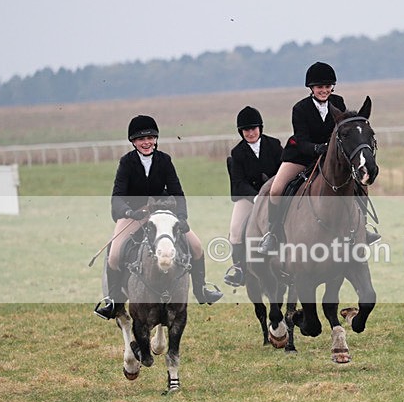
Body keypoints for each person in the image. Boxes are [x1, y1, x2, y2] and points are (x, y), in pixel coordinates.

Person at [94, 115, 223, 319]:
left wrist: (181, 216)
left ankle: (201, 289)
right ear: (133, 142)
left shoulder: (165, 160)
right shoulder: (126, 162)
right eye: (141, 139)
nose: (146, 142)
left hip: (162, 214)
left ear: (155, 139)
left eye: (150, 138)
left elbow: (177, 192)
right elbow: (117, 197)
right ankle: (113, 301)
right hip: (134, 215)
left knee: (197, 246)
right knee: (115, 254)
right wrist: (129, 212)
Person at [258, 61, 379, 253]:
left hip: (329, 157)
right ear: (311, 88)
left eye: (327, 86)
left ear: (332, 86)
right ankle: (273, 233)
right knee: (276, 189)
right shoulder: (300, 108)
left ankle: (362, 228)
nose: (323, 90)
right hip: (301, 155)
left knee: (360, 183)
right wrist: (318, 149)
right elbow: (301, 139)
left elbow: (343, 131)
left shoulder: (338, 102)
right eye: (319, 87)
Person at [224, 106, 282, 287]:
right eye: (246, 130)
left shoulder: (274, 145)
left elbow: (282, 172)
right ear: (241, 131)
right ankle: (239, 269)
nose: (250, 133)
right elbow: (239, 182)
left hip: (274, 193)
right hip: (249, 197)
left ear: (260, 128)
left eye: (253, 128)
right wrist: (255, 197)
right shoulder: (237, 152)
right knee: (235, 231)